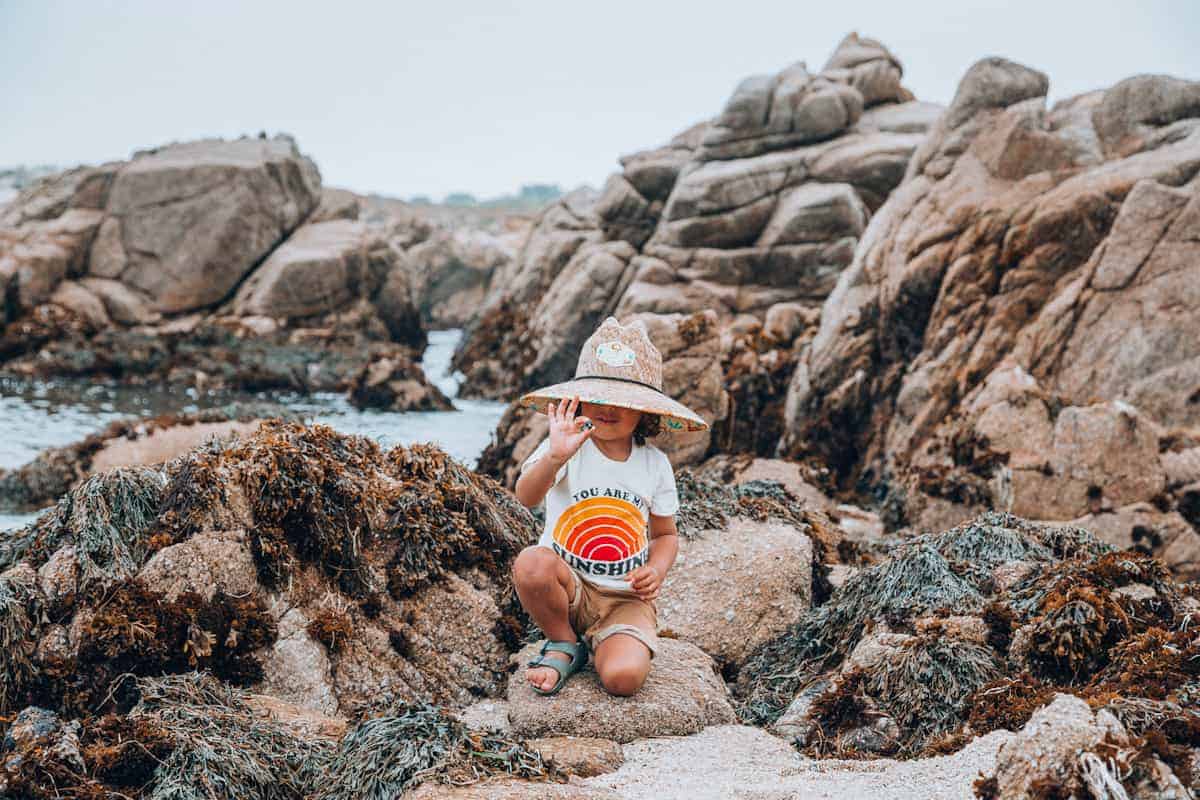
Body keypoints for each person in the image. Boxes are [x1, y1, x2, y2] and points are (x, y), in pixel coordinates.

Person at [511, 316, 709, 697]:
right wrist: (554, 457)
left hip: (624, 599)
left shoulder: (654, 464)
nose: (609, 408)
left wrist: (656, 569)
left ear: (646, 413)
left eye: (624, 401)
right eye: (599, 396)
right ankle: (565, 643)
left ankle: (605, 643)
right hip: (569, 590)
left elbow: (666, 535)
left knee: (623, 680)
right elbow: (526, 497)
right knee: (531, 564)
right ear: (578, 398)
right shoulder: (565, 448)